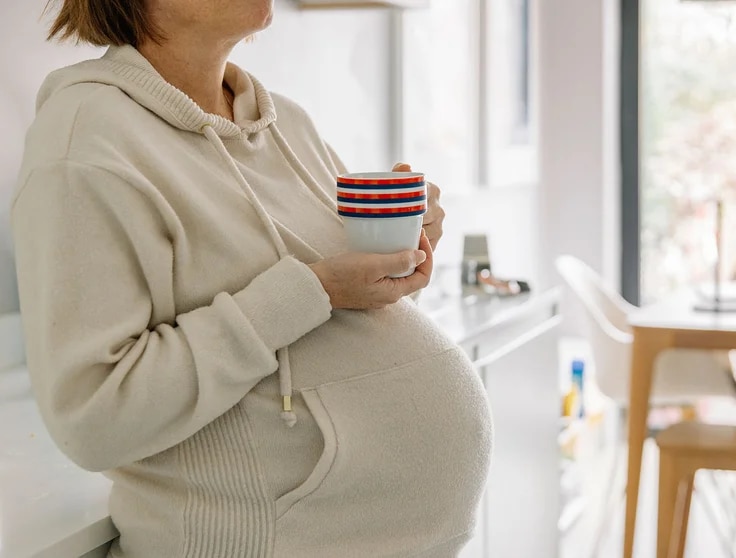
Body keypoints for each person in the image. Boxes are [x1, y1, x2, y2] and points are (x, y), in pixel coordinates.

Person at [11, 1, 493, 556]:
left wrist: (399, 244)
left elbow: (339, 306)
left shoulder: (284, 122)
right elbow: (94, 417)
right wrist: (315, 289)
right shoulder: (84, 144)